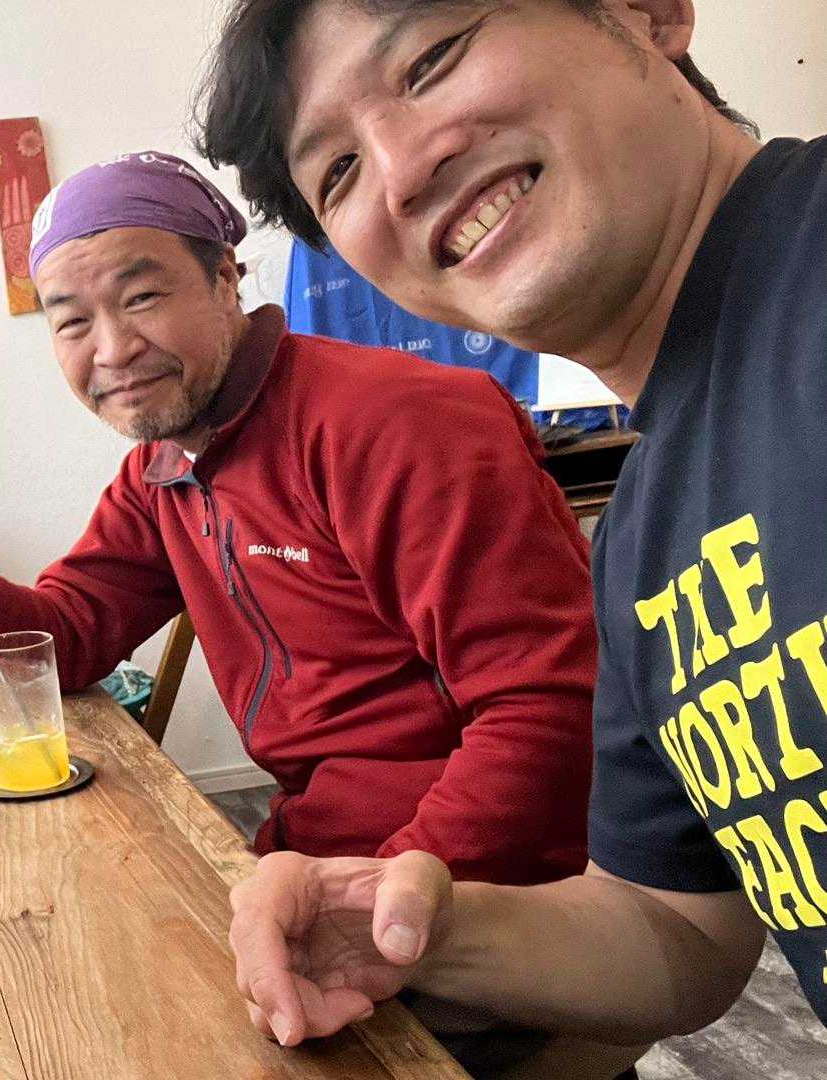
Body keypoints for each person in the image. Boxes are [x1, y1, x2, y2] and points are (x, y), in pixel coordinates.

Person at [199, 0, 827, 1049]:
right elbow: (676, 929)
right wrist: (411, 928)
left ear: (647, 13)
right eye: (338, 171)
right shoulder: (641, 542)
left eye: (430, 60)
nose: (399, 171)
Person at [0, 151, 597, 891]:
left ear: (225, 281)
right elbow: (62, 644)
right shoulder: (165, 469)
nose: (113, 350)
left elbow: (549, 707)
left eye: (142, 298)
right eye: (72, 323)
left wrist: (375, 909)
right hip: (315, 853)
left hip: (492, 885)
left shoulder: (400, 424)